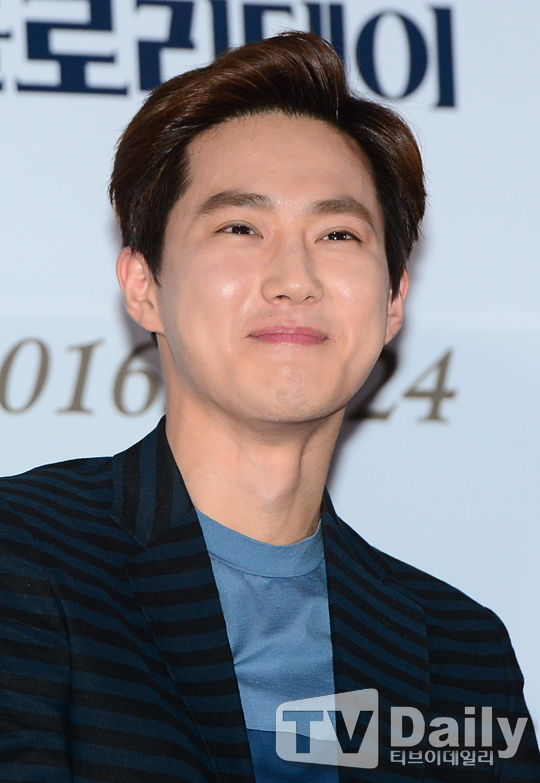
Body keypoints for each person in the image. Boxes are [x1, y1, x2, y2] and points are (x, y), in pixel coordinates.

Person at [0, 31, 538, 783]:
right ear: (144, 285)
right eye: (240, 228)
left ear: (392, 301)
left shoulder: (462, 650)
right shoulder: (23, 556)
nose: (294, 278)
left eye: (338, 233)